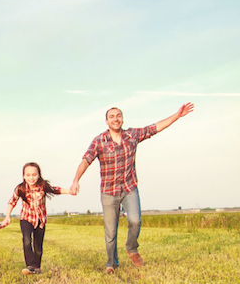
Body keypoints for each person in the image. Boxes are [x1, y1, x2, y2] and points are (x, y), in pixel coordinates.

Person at [70, 103, 195, 274]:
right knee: (110, 232)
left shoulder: (132, 135)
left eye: (119, 115)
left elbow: (155, 128)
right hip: (109, 192)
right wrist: (76, 180)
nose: (116, 119)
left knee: (135, 220)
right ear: (106, 121)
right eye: (112, 116)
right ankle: (111, 264)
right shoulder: (99, 140)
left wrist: (177, 115)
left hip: (129, 188)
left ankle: (131, 248)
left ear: (122, 119)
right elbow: (86, 160)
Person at [5, 162, 71, 275]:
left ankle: (37, 267)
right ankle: (29, 265)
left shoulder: (43, 187)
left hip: (40, 220)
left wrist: (70, 191)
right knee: (26, 240)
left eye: (34, 175)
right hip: (26, 218)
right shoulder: (20, 189)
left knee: (38, 246)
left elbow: (56, 190)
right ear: (24, 176)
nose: (31, 178)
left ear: (39, 175)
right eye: (28, 175)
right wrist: (7, 216)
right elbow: (12, 201)